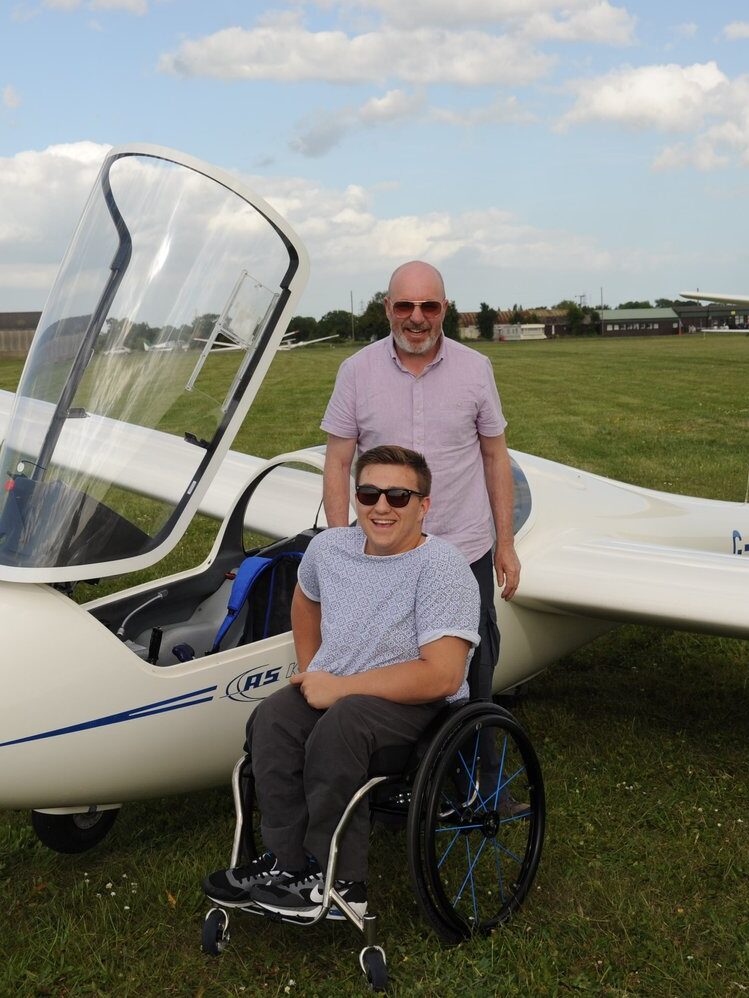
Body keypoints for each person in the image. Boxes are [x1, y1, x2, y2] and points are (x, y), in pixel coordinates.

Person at [203, 445, 480, 921]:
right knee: (272, 717)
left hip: (415, 702)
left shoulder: (442, 569)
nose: (382, 507)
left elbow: (443, 674)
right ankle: (285, 862)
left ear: (424, 506)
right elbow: (305, 599)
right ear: (356, 497)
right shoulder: (330, 548)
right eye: (369, 493)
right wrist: (312, 670)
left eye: (398, 496)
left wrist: (340, 689)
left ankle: (338, 880)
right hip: (338, 687)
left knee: (342, 725)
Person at [321, 260, 519, 704]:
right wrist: (339, 545)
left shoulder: (476, 368)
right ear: (387, 307)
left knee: (473, 673)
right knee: (384, 672)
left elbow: (494, 456)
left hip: (464, 551)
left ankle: (477, 769)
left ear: (444, 308)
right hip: (384, 555)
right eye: (405, 305)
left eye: (429, 306)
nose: (417, 317)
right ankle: (407, 770)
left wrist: (504, 543)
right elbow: (337, 463)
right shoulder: (356, 371)